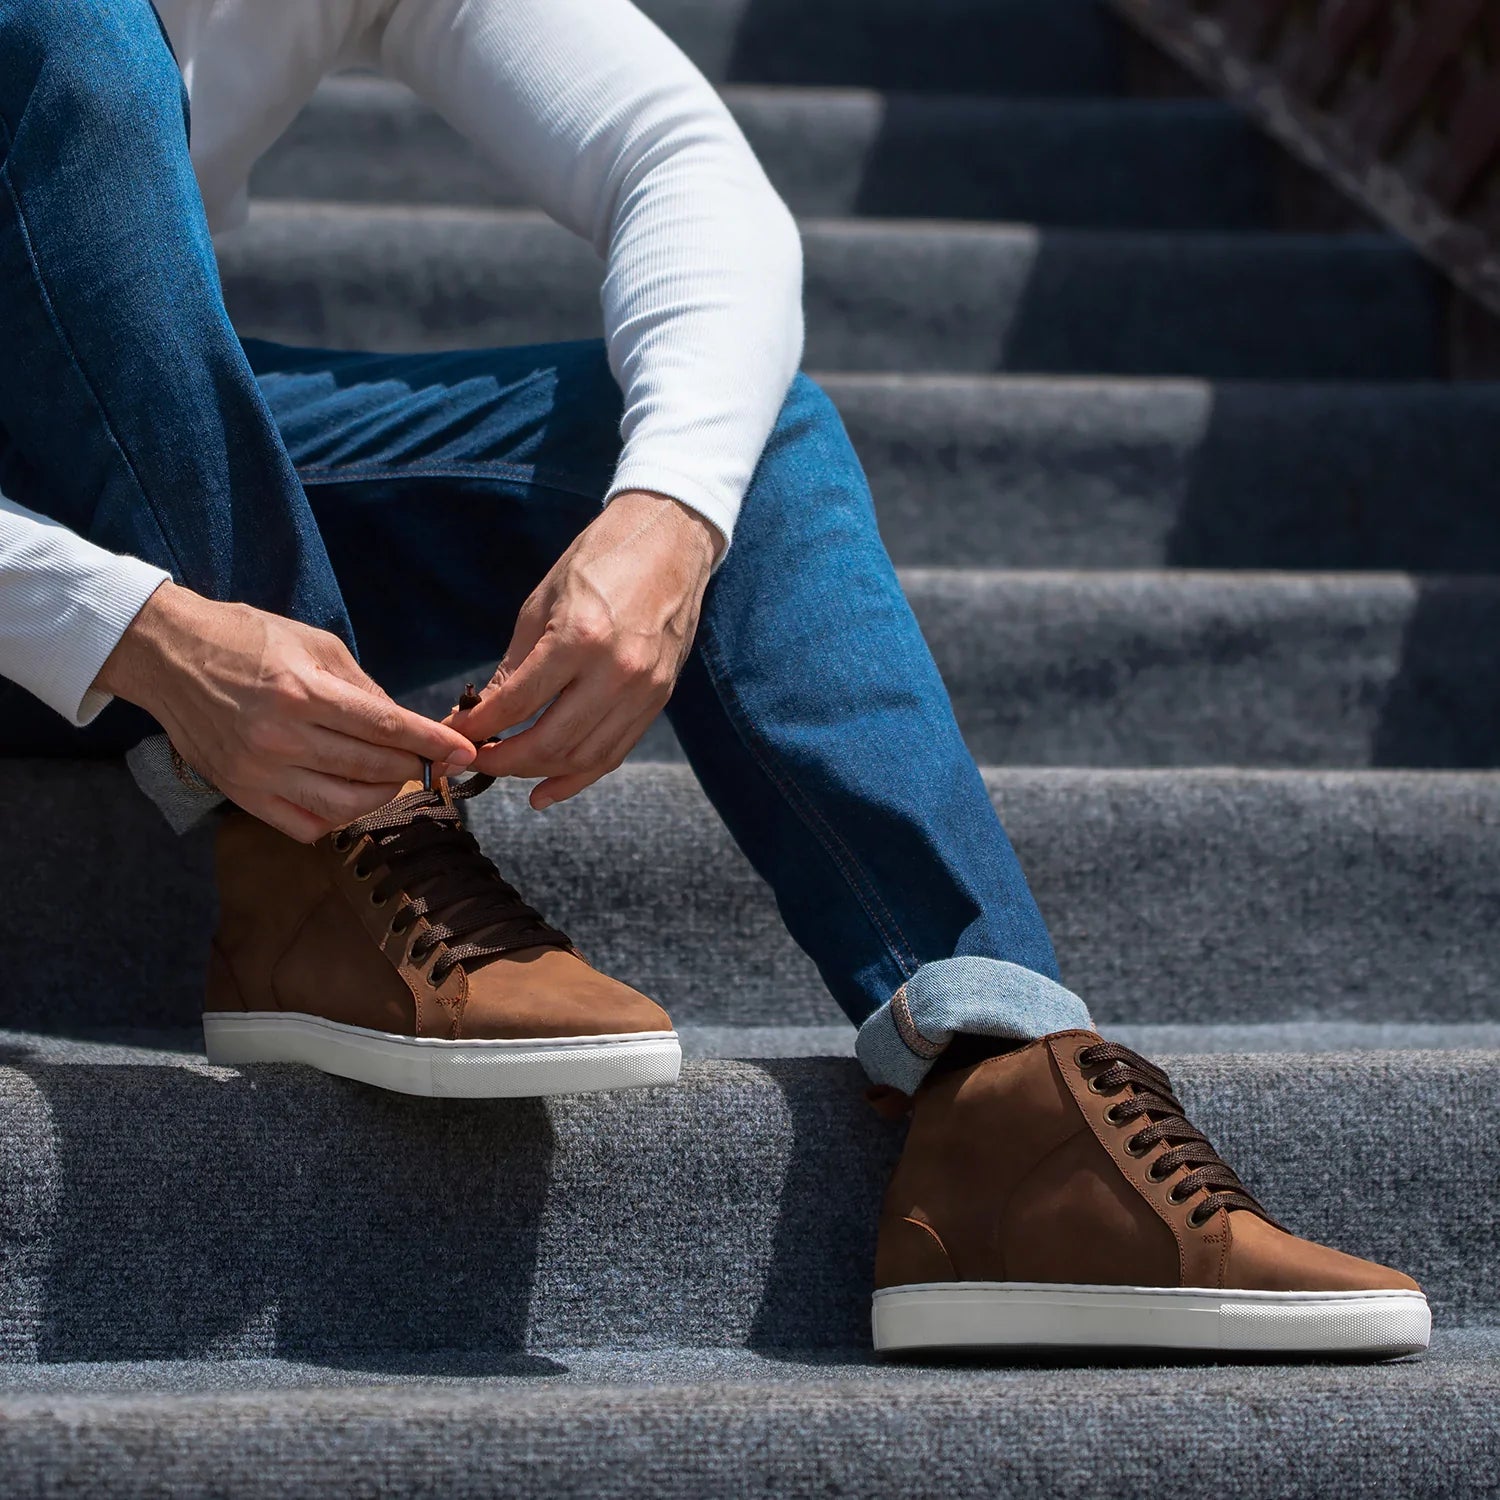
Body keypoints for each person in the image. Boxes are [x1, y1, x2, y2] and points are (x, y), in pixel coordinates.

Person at [0, 0, 1428, 1358]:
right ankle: (323, 846)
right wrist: (133, 630)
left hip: (134, 473)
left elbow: (682, 165)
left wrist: (668, 515)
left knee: (724, 426)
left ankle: (1004, 1097)